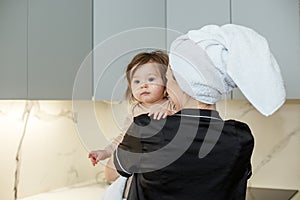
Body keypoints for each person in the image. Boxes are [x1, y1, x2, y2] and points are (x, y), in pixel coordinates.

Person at [112, 37, 255, 199]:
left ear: (182, 84)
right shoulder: (241, 136)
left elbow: (111, 173)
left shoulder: (148, 127)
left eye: (169, 79)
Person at [88, 51, 176, 172]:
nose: (143, 85)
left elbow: (187, 123)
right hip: (142, 166)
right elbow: (123, 138)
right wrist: (105, 152)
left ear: (166, 82)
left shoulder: (172, 104)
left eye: (151, 79)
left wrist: (169, 112)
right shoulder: (134, 111)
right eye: (137, 81)